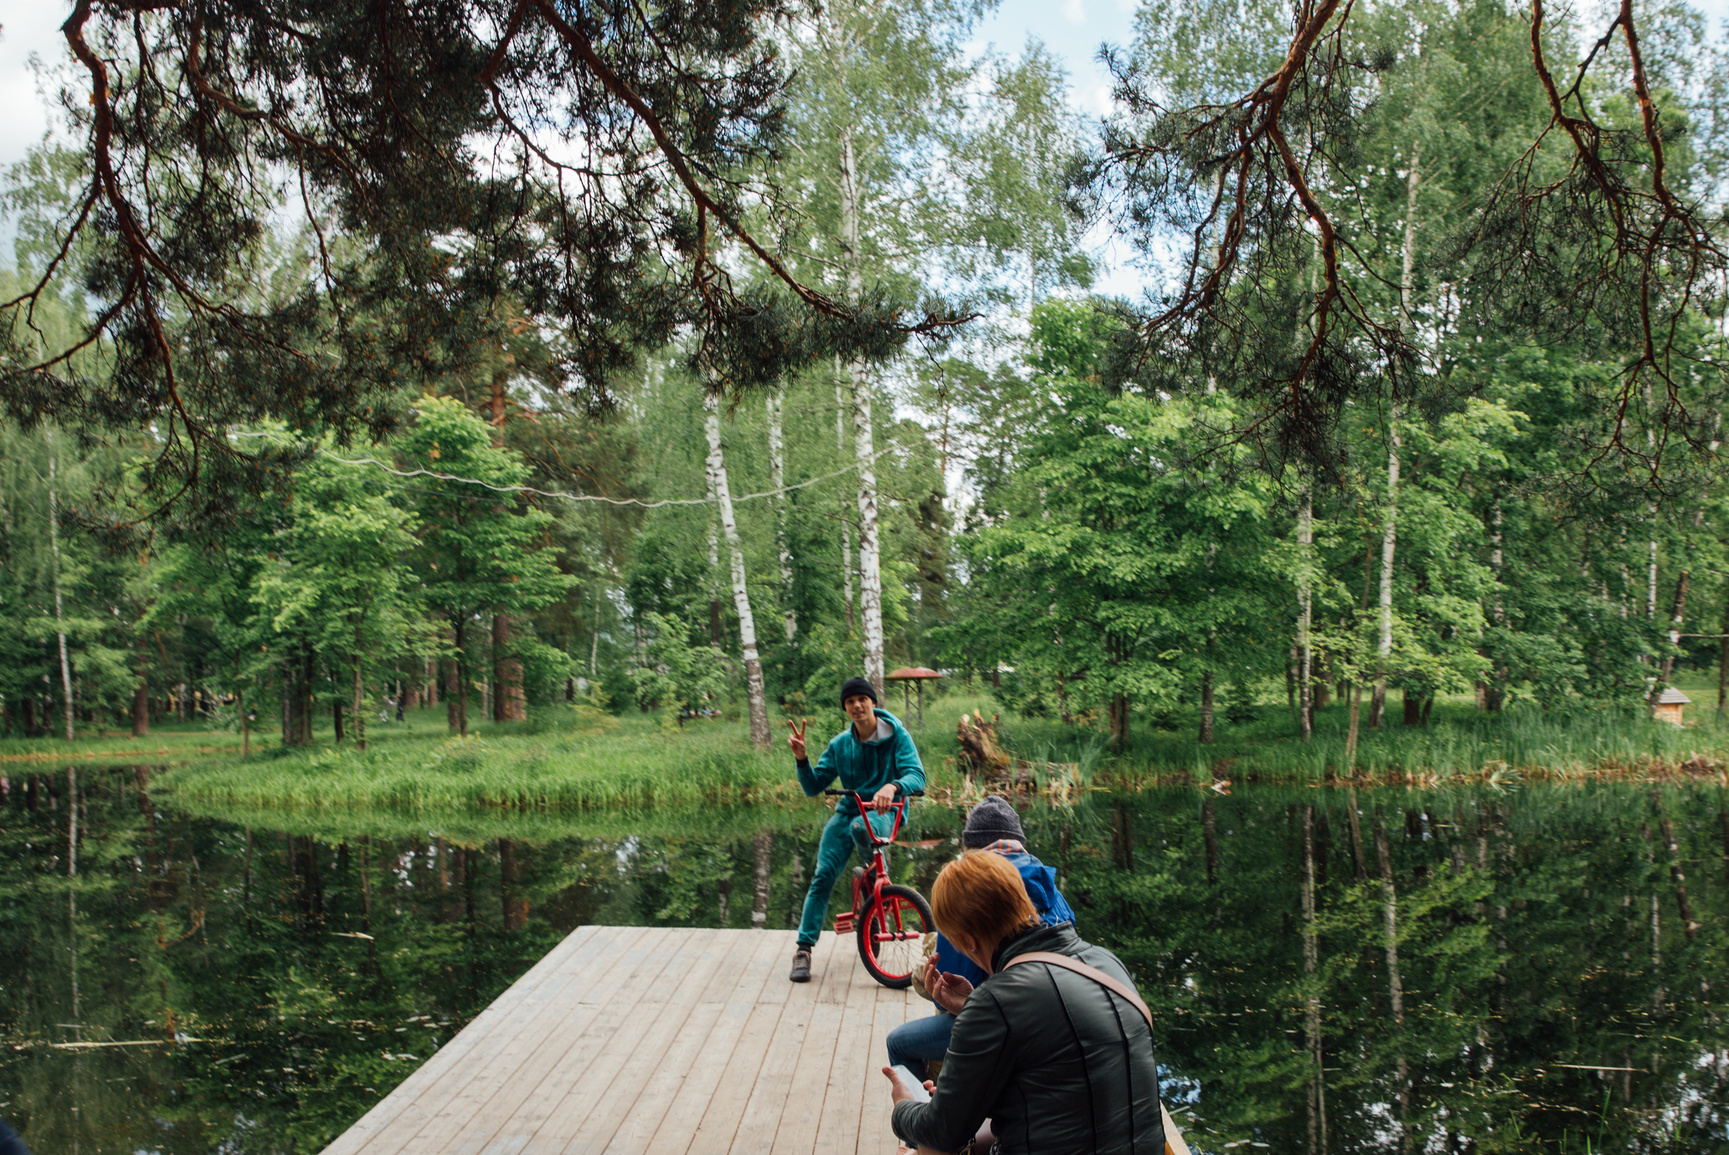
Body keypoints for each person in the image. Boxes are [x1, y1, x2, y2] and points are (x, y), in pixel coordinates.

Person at [884, 851, 1164, 1155]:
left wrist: (902, 1107)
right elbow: (1060, 1066)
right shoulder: (1105, 961)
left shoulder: (997, 1001)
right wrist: (973, 1005)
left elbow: (941, 1132)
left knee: (929, 1150)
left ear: (969, 940)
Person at [885, 795, 1074, 1081]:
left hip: (1006, 1028)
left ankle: (931, 1118)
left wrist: (922, 974)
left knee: (899, 1042)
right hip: (1061, 1021)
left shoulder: (967, 891)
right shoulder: (1052, 890)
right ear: (1018, 843)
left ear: (970, 849)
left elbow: (945, 995)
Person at [786, 675, 926, 982]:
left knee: (863, 828)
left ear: (873, 702)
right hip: (848, 811)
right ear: (846, 708)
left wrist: (893, 786)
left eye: (862, 699)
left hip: (883, 812)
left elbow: (918, 776)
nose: (857, 706)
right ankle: (803, 949)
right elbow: (813, 787)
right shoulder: (840, 745)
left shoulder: (897, 736)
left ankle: (875, 883)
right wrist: (801, 759)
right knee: (822, 875)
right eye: (850, 702)